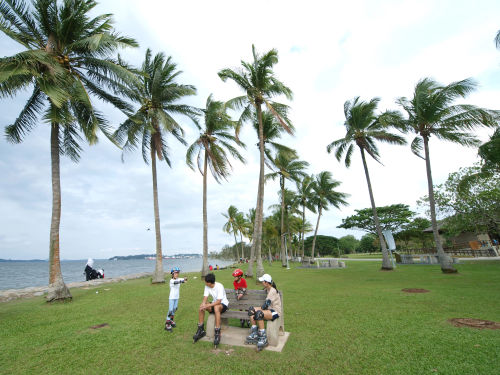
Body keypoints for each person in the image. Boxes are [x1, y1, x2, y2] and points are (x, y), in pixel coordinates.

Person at [246, 273, 281, 351]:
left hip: (275, 311)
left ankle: (263, 338)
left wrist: (258, 310)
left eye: (263, 281)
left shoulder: (272, 291)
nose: (262, 283)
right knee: (251, 310)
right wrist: (254, 310)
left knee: (259, 314)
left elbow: (265, 306)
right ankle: (255, 333)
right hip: (269, 310)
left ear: (266, 282)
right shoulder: (268, 289)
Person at [192, 273, 229, 348]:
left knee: (216, 307)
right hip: (214, 304)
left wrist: (208, 305)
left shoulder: (219, 286)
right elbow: (205, 297)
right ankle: (200, 329)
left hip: (223, 305)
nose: (205, 283)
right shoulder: (207, 286)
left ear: (210, 283)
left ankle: (217, 331)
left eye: (206, 282)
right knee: (201, 307)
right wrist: (203, 304)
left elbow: (219, 301)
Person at [165, 267, 187, 332]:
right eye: (175, 273)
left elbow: (184, 279)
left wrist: (185, 278)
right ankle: (167, 324)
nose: (177, 274)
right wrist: (183, 281)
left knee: (175, 309)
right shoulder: (171, 280)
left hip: (177, 297)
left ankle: (171, 320)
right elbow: (176, 282)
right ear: (172, 274)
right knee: (170, 310)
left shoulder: (178, 279)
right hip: (171, 297)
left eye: (178, 273)